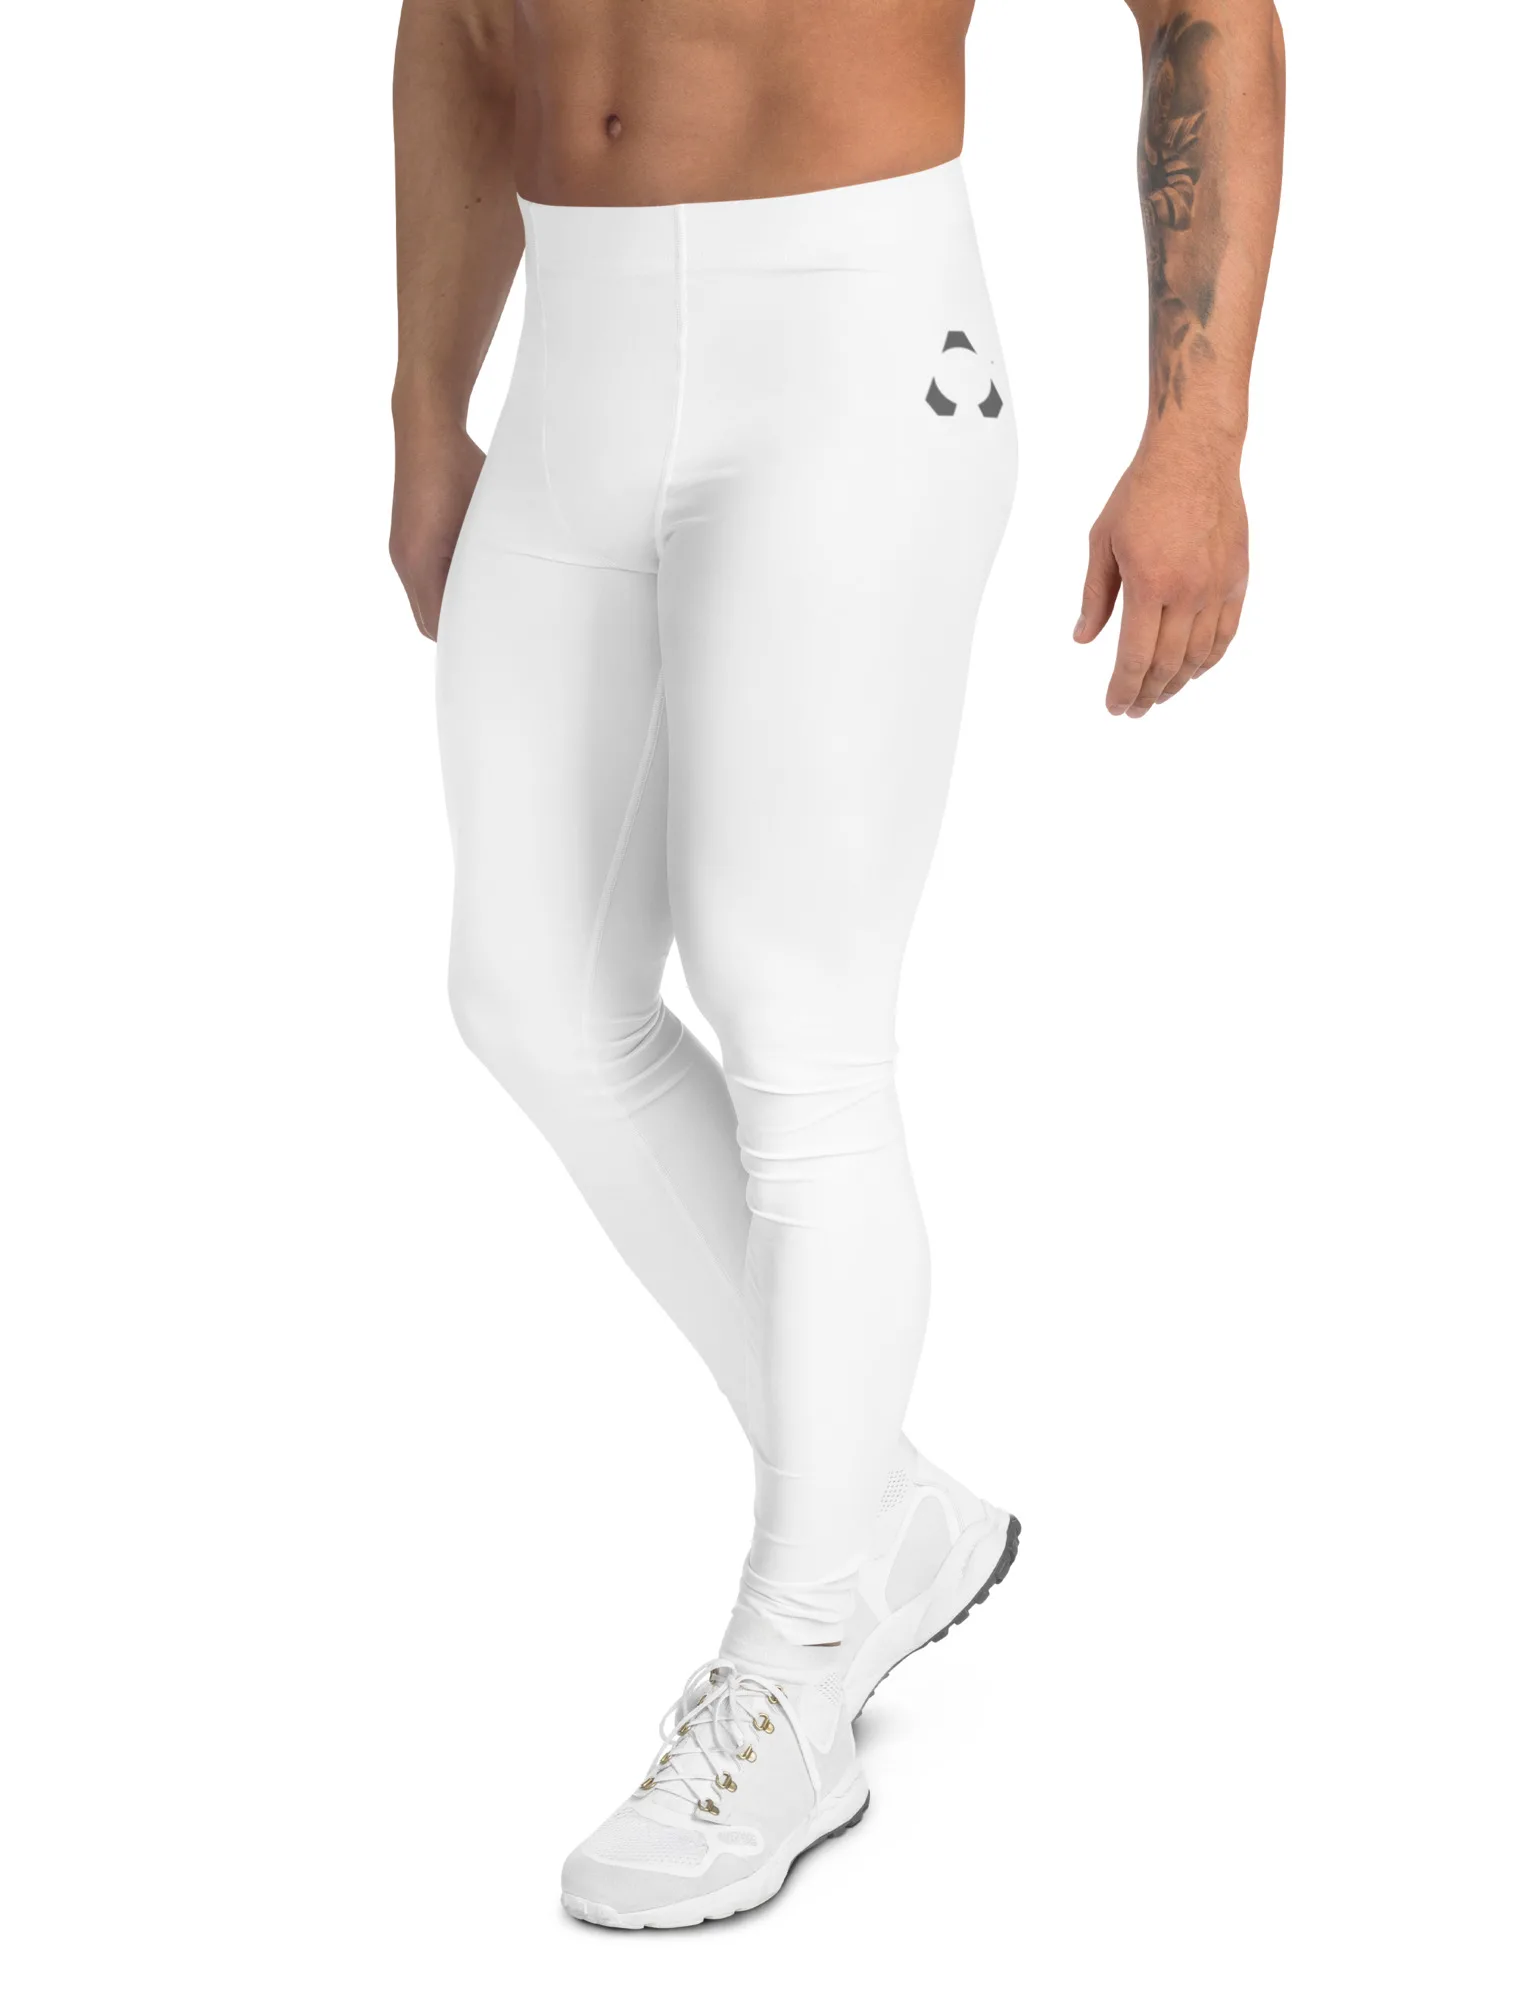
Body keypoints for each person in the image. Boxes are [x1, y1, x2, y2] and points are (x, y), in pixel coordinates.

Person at [390, 0, 1284, 1928]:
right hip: (575, 366)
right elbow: (458, 31)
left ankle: (799, 1662)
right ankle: (882, 1510)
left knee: (798, 1017)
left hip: (852, 348)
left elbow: (1206, 16)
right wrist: (423, 405)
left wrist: (1197, 435)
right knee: (529, 990)